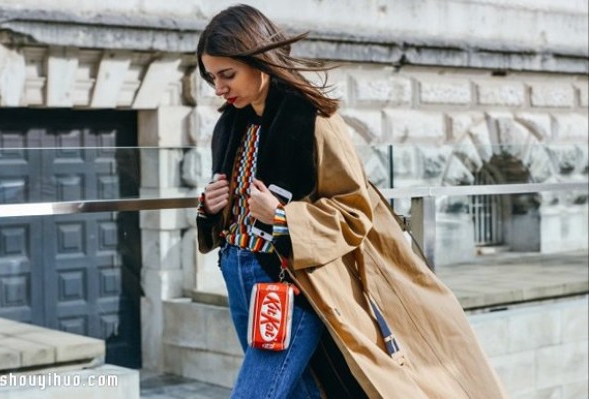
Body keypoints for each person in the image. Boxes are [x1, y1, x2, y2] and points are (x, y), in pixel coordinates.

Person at [196, 4, 507, 399]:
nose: (219, 88)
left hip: (289, 283)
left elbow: (354, 209)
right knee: (299, 393)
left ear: (260, 61)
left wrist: (283, 218)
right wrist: (209, 208)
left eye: (228, 75)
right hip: (239, 276)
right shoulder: (229, 125)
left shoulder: (313, 120)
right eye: (212, 78)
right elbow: (235, 208)